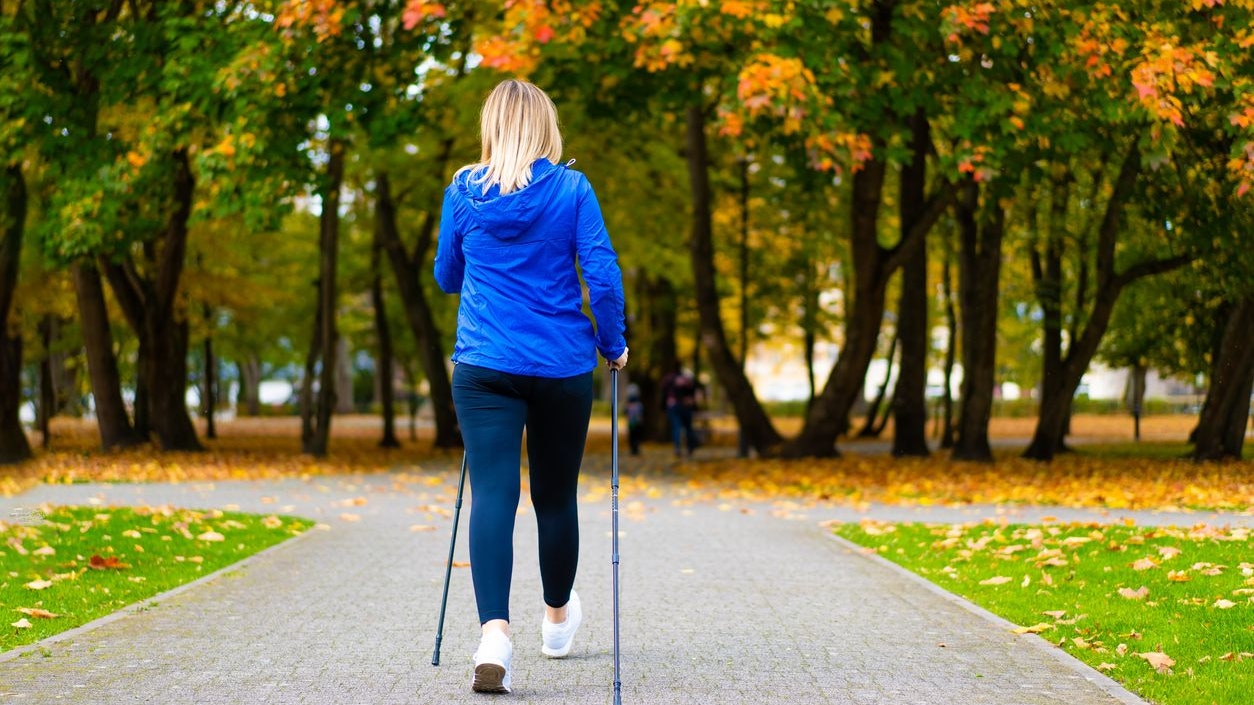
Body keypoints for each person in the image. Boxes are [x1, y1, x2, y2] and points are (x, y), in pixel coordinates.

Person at [433, 78, 628, 695]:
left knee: (493, 494)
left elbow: (446, 275)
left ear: (491, 126)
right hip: (561, 366)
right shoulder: (572, 188)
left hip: (484, 363)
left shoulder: (463, 192)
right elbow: (601, 271)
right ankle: (556, 619)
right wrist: (613, 341)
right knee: (554, 496)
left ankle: (494, 634)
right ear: (546, 126)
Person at [660, 364, 698, 457]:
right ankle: (685, 447)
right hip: (681, 407)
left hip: (676, 407)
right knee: (683, 428)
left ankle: (681, 448)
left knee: (679, 428)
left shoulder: (674, 382)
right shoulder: (681, 382)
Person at [625, 383, 645, 456]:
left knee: (632, 436)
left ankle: (634, 449)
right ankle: (635, 449)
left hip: (632, 421)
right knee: (635, 436)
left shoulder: (629, 402)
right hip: (636, 421)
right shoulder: (639, 403)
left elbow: (626, 411)